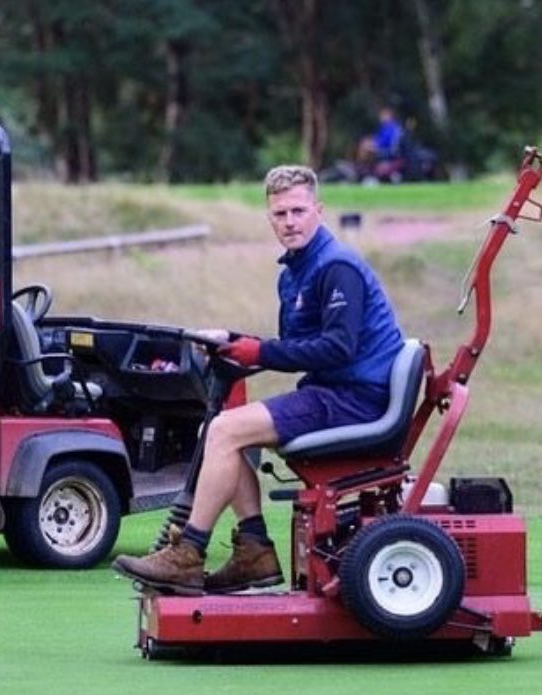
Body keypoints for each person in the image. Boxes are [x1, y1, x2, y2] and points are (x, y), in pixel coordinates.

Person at [112, 165, 404, 595]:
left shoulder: (336, 267)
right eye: (280, 214)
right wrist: (235, 344)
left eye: (298, 211)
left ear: (319, 211)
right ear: (270, 218)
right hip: (332, 393)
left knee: (225, 430)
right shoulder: (295, 273)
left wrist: (259, 352)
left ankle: (188, 554)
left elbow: (338, 348)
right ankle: (254, 550)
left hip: (356, 399)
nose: (290, 222)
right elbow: (299, 345)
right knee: (222, 431)